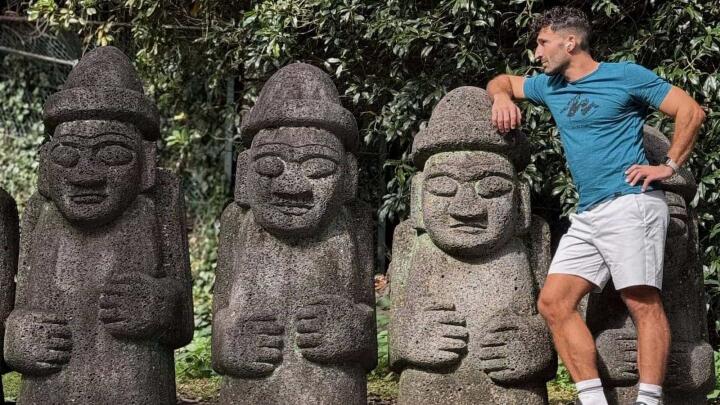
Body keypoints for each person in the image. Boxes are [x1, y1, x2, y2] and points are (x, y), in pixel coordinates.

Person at [486, 6, 706, 405]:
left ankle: (648, 400)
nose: (537, 53)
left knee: (641, 301)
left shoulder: (625, 76)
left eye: (543, 43)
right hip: (588, 213)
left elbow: (691, 111)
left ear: (570, 42)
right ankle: (592, 400)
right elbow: (500, 80)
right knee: (554, 303)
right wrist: (502, 98)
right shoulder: (549, 86)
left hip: (631, 205)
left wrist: (667, 167)